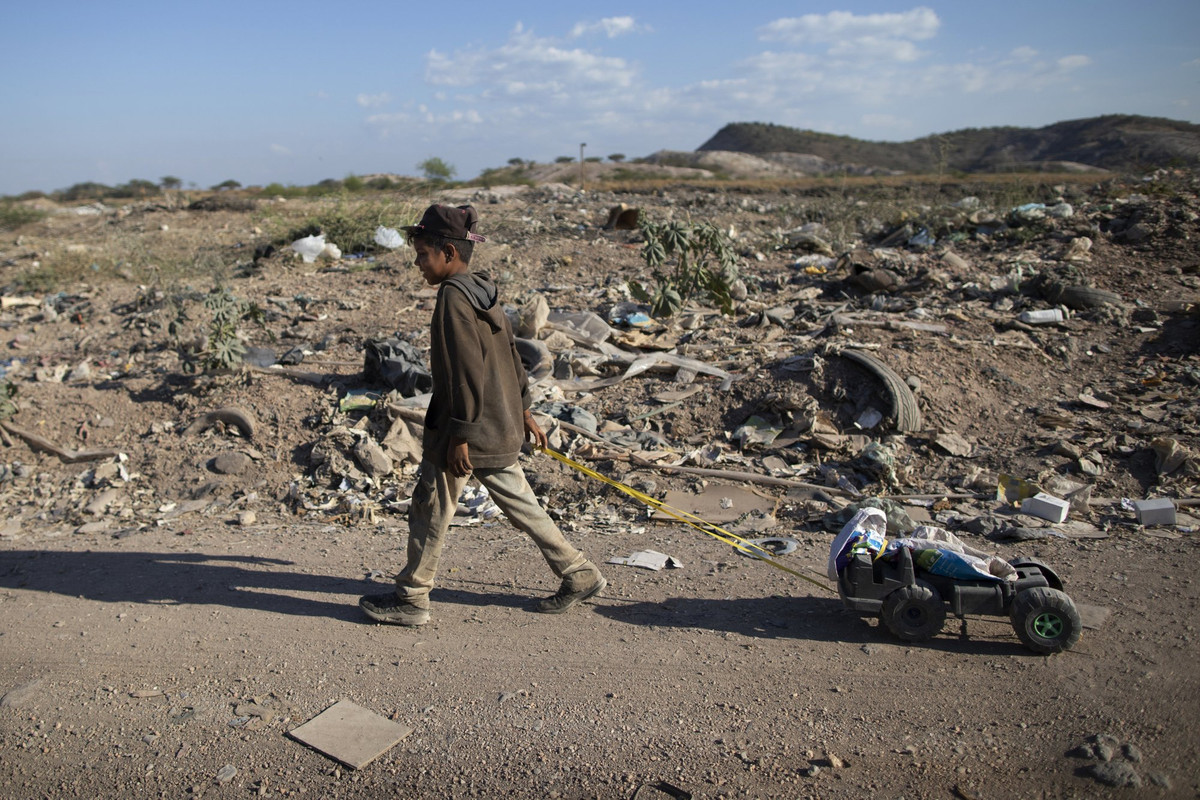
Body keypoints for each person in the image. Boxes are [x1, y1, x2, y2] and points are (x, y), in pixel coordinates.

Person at [360, 204, 606, 626]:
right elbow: (511, 356)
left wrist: (460, 436)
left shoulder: (453, 298)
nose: (418, 264)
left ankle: (412, 598)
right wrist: (524, 410)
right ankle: (579, 572)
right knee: (519, 503)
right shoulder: (482, 288)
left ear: (448, 254)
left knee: (430, 505)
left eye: (423, 255)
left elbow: (463, 374)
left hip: (468, 428)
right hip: (498, 422)